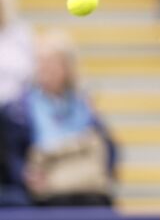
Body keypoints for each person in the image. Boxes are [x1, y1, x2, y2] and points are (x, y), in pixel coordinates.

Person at [1, 31, 117, 206]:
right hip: (43, 191)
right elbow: (10, 156)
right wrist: (25, 175)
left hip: (84, 189)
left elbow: (108, 148)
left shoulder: (84, 105)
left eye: (51, 63)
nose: (44, 69)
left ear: (67, 68)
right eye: (40, 63)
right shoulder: (18, 109)